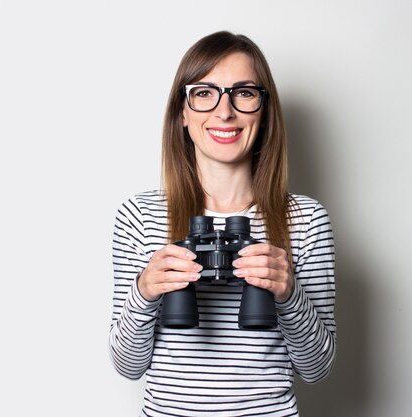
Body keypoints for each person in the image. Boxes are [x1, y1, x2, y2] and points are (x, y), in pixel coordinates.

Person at [109, 31, 336, 417]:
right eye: (204, 92)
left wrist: (288, 292)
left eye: (244, 93)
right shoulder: (139, 215)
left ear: (264, 112)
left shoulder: (306, 219)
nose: (224, 111)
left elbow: (316, 370)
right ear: (182, 112)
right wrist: (145, 291)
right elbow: (128, 366)